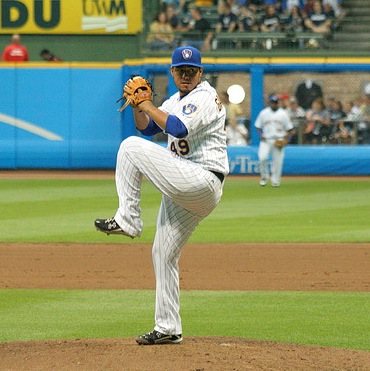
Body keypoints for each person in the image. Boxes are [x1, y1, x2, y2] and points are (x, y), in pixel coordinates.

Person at [94, 46, 228, 345]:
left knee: (128, 147)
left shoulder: (204, 97)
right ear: (172, 71)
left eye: (191, 71)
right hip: (187, 183)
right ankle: (168, 327)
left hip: (201, 178)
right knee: (163, 253)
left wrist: (147, 103)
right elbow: (148, 129)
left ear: (200, 73)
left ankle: (128, 220)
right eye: (180, 70)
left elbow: (177, 129)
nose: (185, 75)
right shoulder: (173, 100)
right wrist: (137, 107)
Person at [254, 94, 295, 187]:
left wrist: (287, 140)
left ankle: (276, 180)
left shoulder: (283, 114)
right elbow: (258, 126)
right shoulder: (264, 113)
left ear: (278, 103)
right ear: (269, 103)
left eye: (275, 102)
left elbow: (291, 130)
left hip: (278, 140)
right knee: (262, 158)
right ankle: (264, 177)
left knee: (278, 162)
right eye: (272, 102)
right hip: (266, 140)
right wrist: (261, 135)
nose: (274, 104)